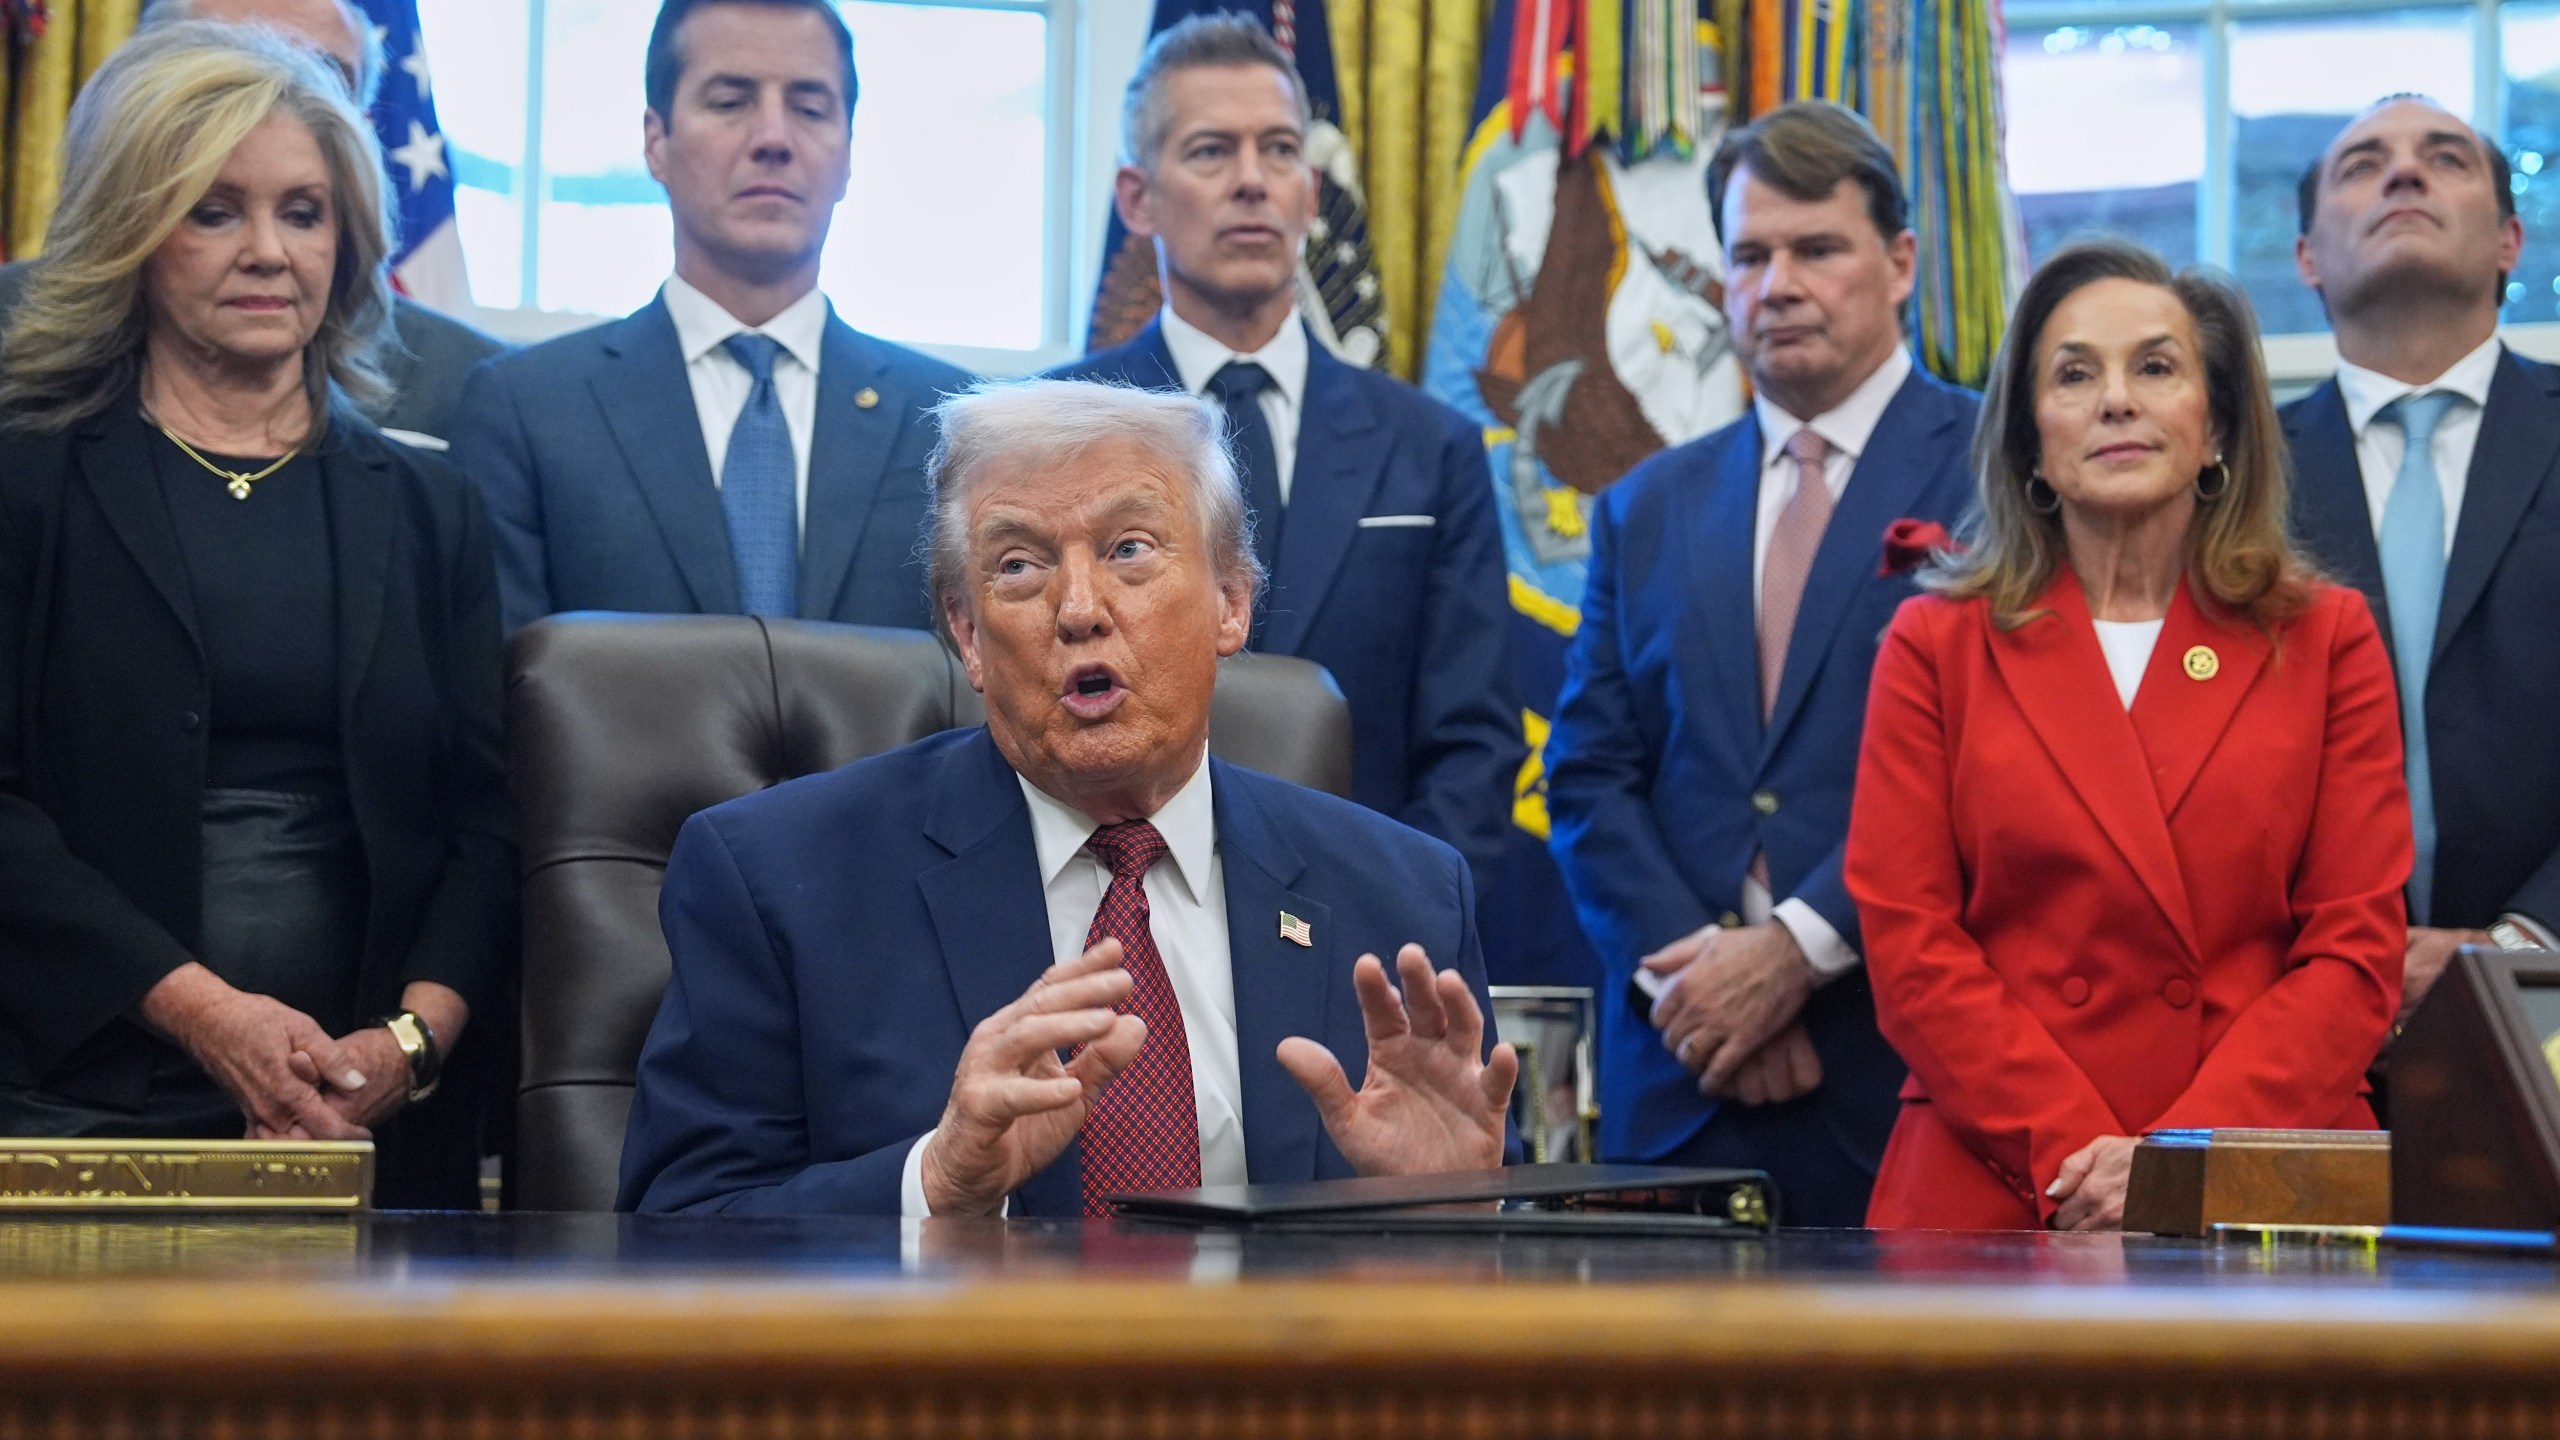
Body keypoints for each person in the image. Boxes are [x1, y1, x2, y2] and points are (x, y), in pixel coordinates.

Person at [616, 378, 1517, 1216]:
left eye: (1130, 549)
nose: (1078, 607)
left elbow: (1482, 1284)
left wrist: (1455, 1215)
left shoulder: (1402, 895)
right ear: (967, 637)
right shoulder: (779, 880)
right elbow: (673, 1234)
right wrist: (935, 1183)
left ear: (1231, 604)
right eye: (1018, 566)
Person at [0, 24, 512, 1207]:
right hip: (81, 1099)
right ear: (135, 230)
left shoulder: (431, 506)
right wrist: (208, 1014)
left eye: (304, 211)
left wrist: (406, 1046)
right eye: (214, 212)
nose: (269, 252)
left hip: (368, 1116)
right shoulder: (30, 482)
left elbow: (488, 828)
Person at [1848, 239, 2409, 1231]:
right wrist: (2082, 1158)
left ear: (2218, 425)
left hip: (2258, 1172)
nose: (2115, 399)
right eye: (2074, 373)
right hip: (2003, 1182)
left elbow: (2352, 954)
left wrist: (2176, 1164)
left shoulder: (2324, 638)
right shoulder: (1935, 644)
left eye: (2154, 366)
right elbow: (1911, 948)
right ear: (2029, 437)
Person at [1542, 101, 1976, 1226]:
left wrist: (1796, 953)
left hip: (1904, 1081)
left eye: (1815, 250)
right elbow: (1588, 777)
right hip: (1683, 1087)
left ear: (1898, 264)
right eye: (1747, 255)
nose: (1775, 284)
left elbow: (1997, 779)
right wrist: (1699, 985)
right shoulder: (1645, 505)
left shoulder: (1999, 476)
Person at [1050, 15, 1518, 894]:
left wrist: (1403, 921)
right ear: (1137, 197)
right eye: (1211, 152)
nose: (1252, 182)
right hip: (1105, 919)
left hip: (1363, 928)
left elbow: (1472, 743)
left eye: (1279, 151)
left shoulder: (1431, 447)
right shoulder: (1055, 432)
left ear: (1313, 190)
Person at [451, 0, 969, 636]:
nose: (774, 139)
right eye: (730, 102)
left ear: (849, 152)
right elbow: (495, 701)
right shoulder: (526, 413)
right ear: (656, 142)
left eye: (809, 109)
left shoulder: (952, 423)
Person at [2285, 95, 2560, 1018]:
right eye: (2363, 165)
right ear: (2307, 257)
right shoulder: (2226, 477)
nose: (2404, 172)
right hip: (2285, 1013)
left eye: (2445, 157)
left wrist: (2520, 945)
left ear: (2509, 242)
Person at [0, 0, 509, 450]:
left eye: (324, 76)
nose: (278, 94)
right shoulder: (13, 327)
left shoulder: (469, 381)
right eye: (229, 70)